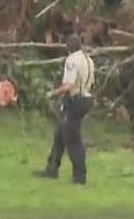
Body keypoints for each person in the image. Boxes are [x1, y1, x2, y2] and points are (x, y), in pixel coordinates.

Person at [36, 34, 95, 185]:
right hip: (86, 97)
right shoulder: (88, 59)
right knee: (59, 135)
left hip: (75, 100)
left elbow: (69, 85)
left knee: (72, 139)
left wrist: (52, 93)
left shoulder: (72, 61)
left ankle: (79, 176)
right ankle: (52, 168)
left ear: (68, 47)